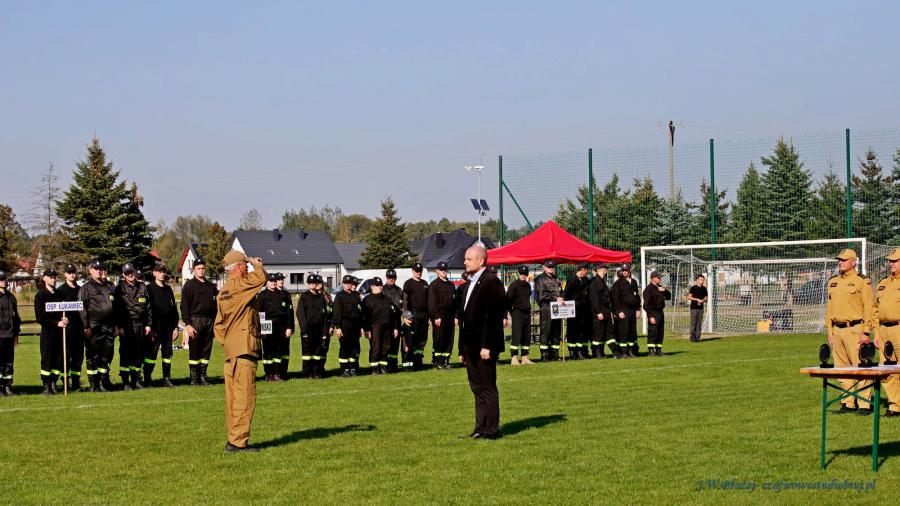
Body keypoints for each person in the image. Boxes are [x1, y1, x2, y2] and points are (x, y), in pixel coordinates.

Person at [214, 251, 267, 453]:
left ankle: (233, 439)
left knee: (233, 398)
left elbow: (218, 326)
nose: (247, 267)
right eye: (245, 264)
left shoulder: (223, 291)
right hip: (244, 350)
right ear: (238, 267)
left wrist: (230, 342)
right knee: (245, 397)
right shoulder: (240, 286)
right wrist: (258, 265)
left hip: (231, 351)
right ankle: (238, 442)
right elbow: (260, 279)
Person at [457, 246, 506, 439]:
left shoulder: (491, 282)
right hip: (470, 346)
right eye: (465, 259)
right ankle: (480, 428)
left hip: (484, 347)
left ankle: (491, 429)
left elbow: (492, 318)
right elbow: (465, 319)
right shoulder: (470, 283)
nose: (465, 262)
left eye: (468, 259)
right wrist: (462, 349)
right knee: (477, 388)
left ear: (481, 261)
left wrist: (487, 346)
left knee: (488, 387)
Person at [825, 248, 876, 415]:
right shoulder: (833, 281)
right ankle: (848, 402)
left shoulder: (862, 281)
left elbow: (869, 307)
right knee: (841, 369)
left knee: (860, 367)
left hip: (855, 329)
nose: (840, 262)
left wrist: (866, 331)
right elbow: (829, 308)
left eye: (844, 260)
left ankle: (865, 404)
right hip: (837, 330)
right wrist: (830, 331)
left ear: (854, 262)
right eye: (839, 260)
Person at [79, 261, 119, 392]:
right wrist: (86, 326)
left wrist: (116, 325)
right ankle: (93, 384)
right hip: (94, 326)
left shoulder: (110, 286)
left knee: (107, 355)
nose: (99, 271)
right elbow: (81, 308)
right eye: (96, 269)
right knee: (93, 356)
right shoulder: (86, 287)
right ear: (90, 271)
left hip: (109, 326)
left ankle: (102, 382)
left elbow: (117, 307)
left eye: (101, 268)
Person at [181, 258, 218, 386]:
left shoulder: (211, 286)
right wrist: (188, 325)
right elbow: (184, 306)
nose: (201, 270)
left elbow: (217, 305)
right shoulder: (189, 286)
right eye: (198, 268)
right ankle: (194, 378)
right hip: (195, 321)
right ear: (194, 270)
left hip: (209, 321)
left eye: (203, 268)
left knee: (206, 350)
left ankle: (203, 377)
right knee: (195, 350)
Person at [116, 263, 153, 390]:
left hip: (141, 325)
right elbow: (116, 309)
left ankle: (136, 380)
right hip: (126, 325)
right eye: (127, 273)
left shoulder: (142, 287)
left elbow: (148, 308)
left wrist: (148, 325)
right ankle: (125, 382)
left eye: (131, 272)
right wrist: (119, 327)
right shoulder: (119, 288)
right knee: (125, 354)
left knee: (138, 353)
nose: (130, 275)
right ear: (123, 275)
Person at [145, 263, 179, 387]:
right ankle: (147, 379)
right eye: (159, 272)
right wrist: (149, 326)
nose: (162, 274)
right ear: (154, 273)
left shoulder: (168, 289)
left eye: (164, 271)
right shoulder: (148, 289)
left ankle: (167, 378)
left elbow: (174, 309)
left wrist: (175, 327)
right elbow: (146, 310)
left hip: (168, 327)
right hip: (155, 327)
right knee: (151, 354)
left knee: (167, 354)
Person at [876, 248, 900, 417]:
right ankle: (895, 406)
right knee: (887, 369)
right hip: (884, 330)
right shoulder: (883, 283)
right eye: (890, 261)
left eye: (895, 261)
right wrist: (877, 333)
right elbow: (875, 310)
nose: (891, 263)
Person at [34, 269, 66, 394]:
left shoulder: (60, 294)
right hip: (48, 333)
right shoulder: (40, 296)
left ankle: (53, 382)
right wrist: (55, 323)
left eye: (54, 277)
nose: (53, 279)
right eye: (51, 277)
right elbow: (40, 318)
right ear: (44, 279)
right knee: (47, 359)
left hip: (60, 333)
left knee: (58, 359)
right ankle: (46, 385)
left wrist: (65, 319)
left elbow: (64, 311)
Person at [297, 274, 332, 379]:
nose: (313, 285)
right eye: (311, 283)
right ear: (308, 284)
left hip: (319, 329)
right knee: (307, 352)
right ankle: (307, 373)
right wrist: (304, 330)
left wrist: (324, 331)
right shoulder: (304, 297)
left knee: (318, 352)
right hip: (308, 329)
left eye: (314, 283)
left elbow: (325, 315)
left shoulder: (321, 297)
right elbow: (300, 314)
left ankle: (316, 372)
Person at [362, 277, 399, 375]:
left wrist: (395, 327)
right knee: (376, 347)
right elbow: (364, 317)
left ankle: (383, 366)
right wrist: (366, 329)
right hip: (374, 327)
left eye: (381, 285)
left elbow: (394, 314)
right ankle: (374, 368)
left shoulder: (387, 299)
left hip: (387, 326)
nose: (380, 287)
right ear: (372, 287)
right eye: (377, 285)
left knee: (386, 347)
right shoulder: (367, 300)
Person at [257, 273, 288, 382]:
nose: (273, 283)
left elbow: (285, 312)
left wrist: (287, 326)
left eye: (275, 281)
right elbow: (260, 312)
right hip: (267, 323)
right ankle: (269, 374)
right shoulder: (262, 295)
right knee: (268, 350)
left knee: (278, 350)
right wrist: (262, 328)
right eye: (271, 281)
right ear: (267, 282)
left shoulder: (281, 294)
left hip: (280, 324)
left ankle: (277, 373)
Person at [57, 264, 84, 390]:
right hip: (67, 329)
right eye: (69, 272)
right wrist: (61, 318)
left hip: (79, 328)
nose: (72, 274)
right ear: (65, 275)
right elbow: (56, 309)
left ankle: (76, 382)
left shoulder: (80, 289)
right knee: (65, 356)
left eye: (74, 272)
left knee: (78, 356)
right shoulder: (61, 290)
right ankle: (65, 382)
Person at [428, 261, 457, 370]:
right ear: (437, 271)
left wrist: (455, 316)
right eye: (441, 270)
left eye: (445, 269)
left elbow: (454, 302)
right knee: (439, 338)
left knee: (449, 338)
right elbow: (432, 303)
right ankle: (438, 361)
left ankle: (446, 360)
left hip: (450, 315)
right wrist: (435, 317)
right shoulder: (434, 285)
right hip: (439, 315)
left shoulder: (451, 285)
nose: (443, 271)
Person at [333, 274, 363, 377]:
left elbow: (360, 312)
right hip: (344, 326)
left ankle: (352, 367)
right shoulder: (339, 296)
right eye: (346, 283)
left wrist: (361, 327)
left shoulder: (356, 296)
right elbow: (337, 312)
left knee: (354, 348)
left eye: (349, 283)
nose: (348, 285)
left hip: (355, 326)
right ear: (343, 284)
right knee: (344, 348)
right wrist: (338, 327)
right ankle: (344, 369)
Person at [534, 260, 563, 361]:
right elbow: (542, 296)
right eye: (549, 267)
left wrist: (562, 297)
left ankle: (555, 354)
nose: (551, 268)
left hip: (557, 306)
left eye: (552, 267)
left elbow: (560, 291)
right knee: (545, 331)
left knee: (556, 331)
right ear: (544, 267)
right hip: (546, 307)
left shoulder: (556, 278)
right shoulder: (540, 279)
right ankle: (544, 355)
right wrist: (555, 298)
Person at [402, 262, 429, 367]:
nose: (419, 273)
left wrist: (429, 316)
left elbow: (428, 301)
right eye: (417, 271)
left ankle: (419, 360)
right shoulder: (408, 283)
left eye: (420, 271)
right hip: (413, 314)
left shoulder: (425, 283)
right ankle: (411, 360)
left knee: (423, 338)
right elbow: (405, 301)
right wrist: (406, 315)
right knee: (414, 338)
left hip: (424, 315)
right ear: (413, 271)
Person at [563, 262, 592, 359]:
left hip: (583, 311)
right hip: (573, 310)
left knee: (581, 332)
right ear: (583, 270)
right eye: (587, 271)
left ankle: (580, 352)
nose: (587, 273)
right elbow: (566, 295)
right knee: (572, 331)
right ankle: (572, 352)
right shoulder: (572, 280)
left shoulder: (585, 280)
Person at [611, 264, 641, 358]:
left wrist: (638, 309)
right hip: (623, 310)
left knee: (632, 331)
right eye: (623, 270)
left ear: (629, 271)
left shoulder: (634, 282)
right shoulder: (618, 283)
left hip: (633, 310)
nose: (624, 272)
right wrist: (619, 311)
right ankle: (623, 352)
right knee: (623, 331)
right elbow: (615, 299)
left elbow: (637, 297)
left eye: (626, 270)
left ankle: (631, 351)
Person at [506, 266, 534, 365]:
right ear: (519, 273)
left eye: (525, 274)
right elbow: (507, 301)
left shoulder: (528, 285)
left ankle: (525, 357)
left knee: (526, 336)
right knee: (516, 335)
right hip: (517, 312)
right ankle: (514, 358)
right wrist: (512, 313)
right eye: (521, 273)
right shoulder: (513, 285)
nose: (523, 275)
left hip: (527, 312)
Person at [0, 270, 21, 396]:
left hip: (9, 335)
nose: (3, 281)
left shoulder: (11, 297)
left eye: (4, 279)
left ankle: (7, 387)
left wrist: (16, 334)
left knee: (8, 363)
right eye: (1, 279)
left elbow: (16, 317)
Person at [588, 264, 615, 359]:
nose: (607, 271)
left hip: (606, 311)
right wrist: (598, 312)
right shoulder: (594, 282)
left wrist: (610, 311)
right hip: (599, 312)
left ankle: (609, 351)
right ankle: (597, 352)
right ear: (603, 270)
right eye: (606, 269)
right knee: (598, 333)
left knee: (607, 332)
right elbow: (594, 299)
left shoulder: (602, 281)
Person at [643, 271, 672, 357]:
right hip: (653, 312)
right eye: (658, 278)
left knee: (660, 332)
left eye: (660, 278)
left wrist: (665, 290)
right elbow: (646, 305)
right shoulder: (648, 289)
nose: (660, 279)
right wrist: (651, 316)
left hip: (660, 312)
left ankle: (659, 350)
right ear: (653, 278)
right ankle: (651, 350)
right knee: (653, 332)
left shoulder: (660, 287)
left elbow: (669, 297)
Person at [274, 273, 295, 378]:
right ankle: (276, 372)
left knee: (285, 351)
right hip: (275, 327)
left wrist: (290, 327)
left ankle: (283, 372)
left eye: (282, 279)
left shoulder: (286, 294)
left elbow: (290, 312)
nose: (281, 281)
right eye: (279, 280)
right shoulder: (273, 293)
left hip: (285, 327)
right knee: (277, 350)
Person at [382, 269, 403, 371]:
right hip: (386, 321)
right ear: (386, 278)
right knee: (386, 344)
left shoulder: (399, 290)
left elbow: (403, 306)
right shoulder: (382, 290)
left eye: (393, 277)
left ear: (396, 278)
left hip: (397, 320)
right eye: (389, 277)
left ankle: (393, 364)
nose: (391, 279)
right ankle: (385, 364)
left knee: (395, 343)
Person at [687, 274, 708, 343]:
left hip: (701, 308)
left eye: (703, 280)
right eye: (701, 280)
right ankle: (692, 338)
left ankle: (697, 338)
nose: (702, 281)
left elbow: (706, 297)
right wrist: (697, 299)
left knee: (699, 324)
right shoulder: (693, 288)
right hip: (694, 308)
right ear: (697, 280)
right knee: (693, 323)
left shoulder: (704, 288)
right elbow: (689, 297)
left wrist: (703, 300)